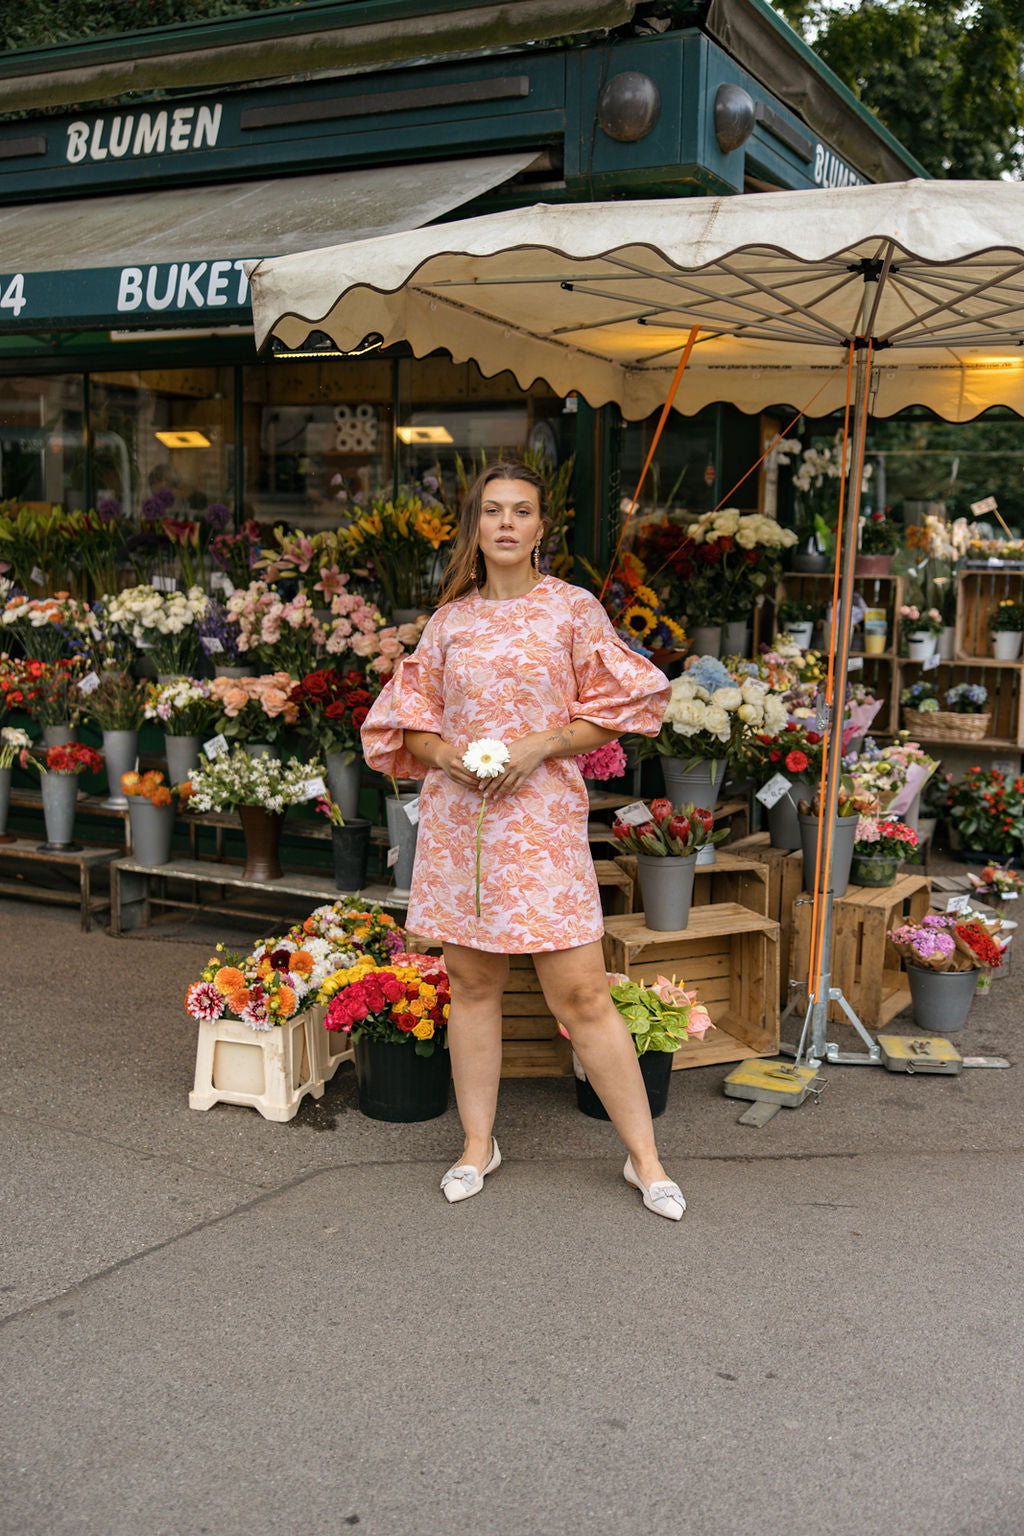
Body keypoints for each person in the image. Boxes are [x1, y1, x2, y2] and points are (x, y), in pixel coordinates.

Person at [360, 460, 686, 1220]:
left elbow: (625, 703)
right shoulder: (449, 622)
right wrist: (446, 757)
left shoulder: (572, 611)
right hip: (461, 825)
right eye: (493, 511)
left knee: (582, 993)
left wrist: (541, 744)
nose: (506, 523)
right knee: (472, 986)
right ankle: (479, 1144)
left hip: (540, 822)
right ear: (476, 527)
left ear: (542, 528)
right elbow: (411, 719)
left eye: (522, 511)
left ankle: (646, 1159)